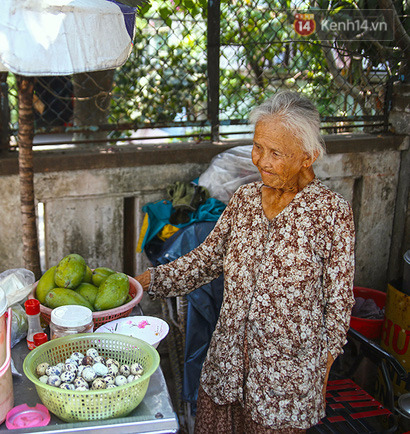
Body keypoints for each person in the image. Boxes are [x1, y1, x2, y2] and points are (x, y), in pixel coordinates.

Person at [135, 91, 355, 433]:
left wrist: (321, 368)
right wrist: (142, 282)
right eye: (258, 147)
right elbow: (207, 261)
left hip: (285, 386)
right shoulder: (245, 200)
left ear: (308, 156)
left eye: (276, 153)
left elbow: (338, 301)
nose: (262, 161)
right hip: (227, 368)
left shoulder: (331, 214)